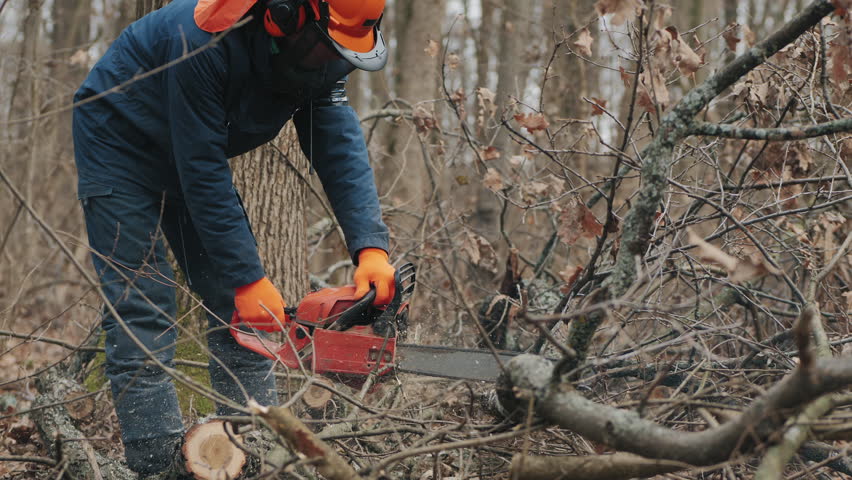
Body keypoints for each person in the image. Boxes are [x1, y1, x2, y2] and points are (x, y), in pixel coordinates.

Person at [72, 0, 395, 475]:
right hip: (118, 142)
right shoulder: (202, 41)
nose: (332, 61)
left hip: (191, 152)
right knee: (144, 302)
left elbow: (336, 143)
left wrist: (370, 247)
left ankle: (256, 444)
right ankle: (156, 461)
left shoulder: (323, 54)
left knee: (236, 307)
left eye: (341, 53)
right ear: (283, 16)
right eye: (326, 48)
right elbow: (202, 169)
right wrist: (248, 277)